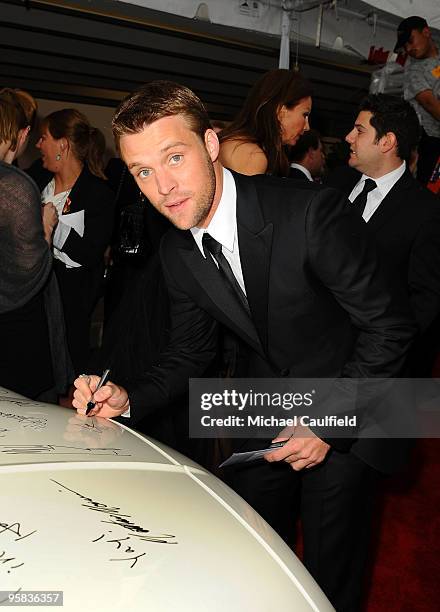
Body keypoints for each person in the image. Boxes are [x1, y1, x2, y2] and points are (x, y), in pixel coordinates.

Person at [72, 81, 415, 611]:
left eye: (174, 157)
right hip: (265, 407)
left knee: (328, 580)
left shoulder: (308, 213)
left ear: (211, 144)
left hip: (354, 401)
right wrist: (127, 397)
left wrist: (327, 422)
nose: (163, 186)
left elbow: (390, 325)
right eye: (143, 171)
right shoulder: (177, 253)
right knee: (253, 553)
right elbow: (188, 353)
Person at [326, 94, 440, 375]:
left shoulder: (427, 211)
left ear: (387, 142)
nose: (348, 137)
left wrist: (380, 360)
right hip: (316, 356)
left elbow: (424, 303)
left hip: (378, 372)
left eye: (360, 130)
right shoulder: (335, 183)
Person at [0, 98, 72, 400]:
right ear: (22, 134)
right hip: (13, 325)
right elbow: (30, 271)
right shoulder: (14, 185)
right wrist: (46, 225)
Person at [34, 109, 115, 375]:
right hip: (31, 303)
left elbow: (90, 253)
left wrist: (53, 226)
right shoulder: (34, 182)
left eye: (43, 137)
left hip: (70, 310)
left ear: (63, 145)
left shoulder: (97, 193)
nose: (37, 145)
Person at [219, 69, 312, 176]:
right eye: (305, 115)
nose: (307, 127)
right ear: (281, 110)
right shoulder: (252, 156)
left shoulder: (239, 145)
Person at [394, 16, 440, 185]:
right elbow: (429, 104)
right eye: (406, 45)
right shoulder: (413, 69)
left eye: (411, 41)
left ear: (426, 32)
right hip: (429, 140)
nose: (409, 48)